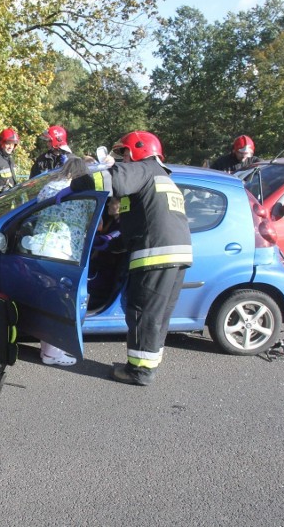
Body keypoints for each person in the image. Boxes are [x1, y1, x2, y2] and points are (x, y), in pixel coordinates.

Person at [93, 131, 193, 386]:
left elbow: (112, 182)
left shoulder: (144, 168)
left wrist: (79, 182)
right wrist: (114, 242)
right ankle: (146, 364)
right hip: (176, 254)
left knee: (142, 313)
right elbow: (145, 220)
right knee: (157, 316)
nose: (123, 159)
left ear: (139, 150)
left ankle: (138, 371)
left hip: (155, 254)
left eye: (125, 153)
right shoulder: (161, 177)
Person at [22, 156, 96, 366]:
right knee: (60, 304)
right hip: (63, 252)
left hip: (37, 247)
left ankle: (47, 349)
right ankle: (52, 354)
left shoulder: (49, 187)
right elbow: (94, 222)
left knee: (45, 301)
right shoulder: (85, 195)